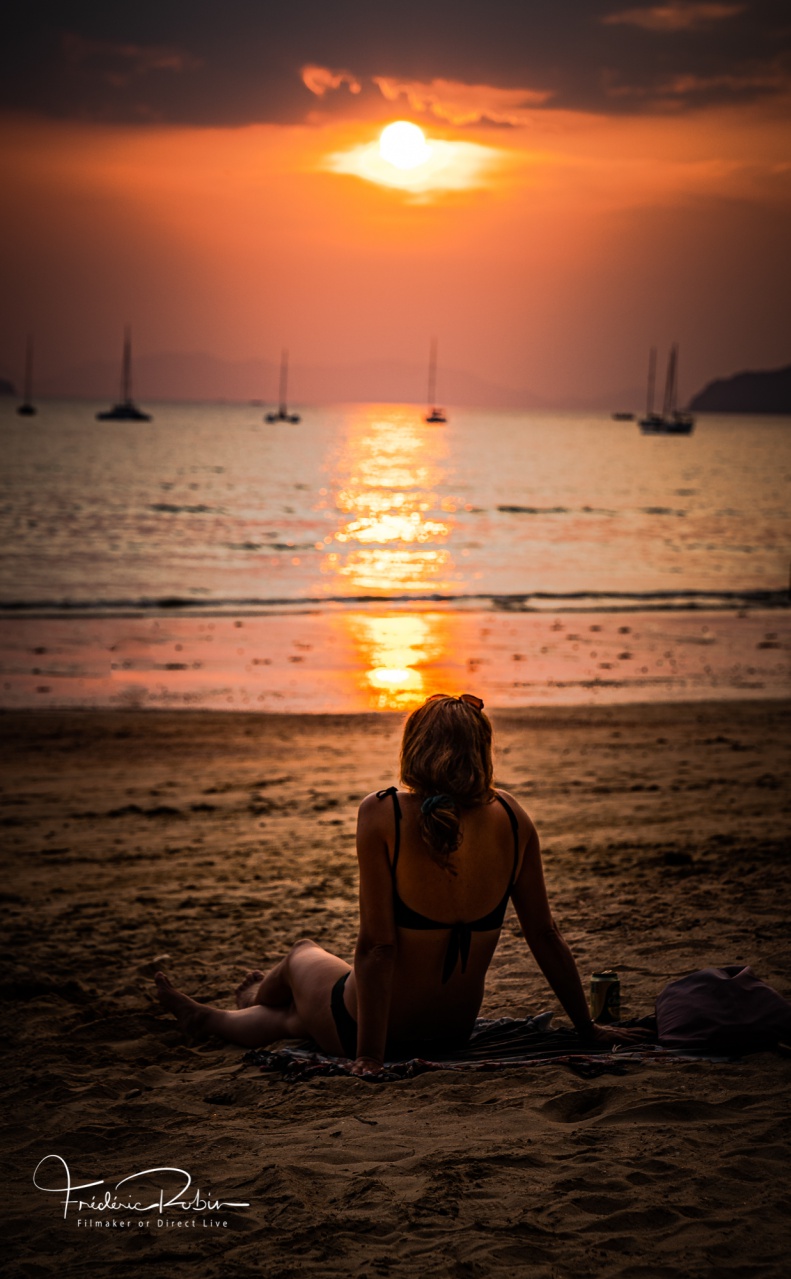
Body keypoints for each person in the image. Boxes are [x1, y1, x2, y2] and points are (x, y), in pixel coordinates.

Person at [155, 692, 649, 1075]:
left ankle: (254, 996)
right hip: (452, 1032)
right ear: (481, 751)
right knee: (293, 1022)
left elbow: (378, 948)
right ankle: (214, 1018)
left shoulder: (384, 811)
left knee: (303, 953)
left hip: (370, 1029)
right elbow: (545, 935)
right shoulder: (513, 816)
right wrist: (588, 1028)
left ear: (415, 747)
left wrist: (370, 1056)